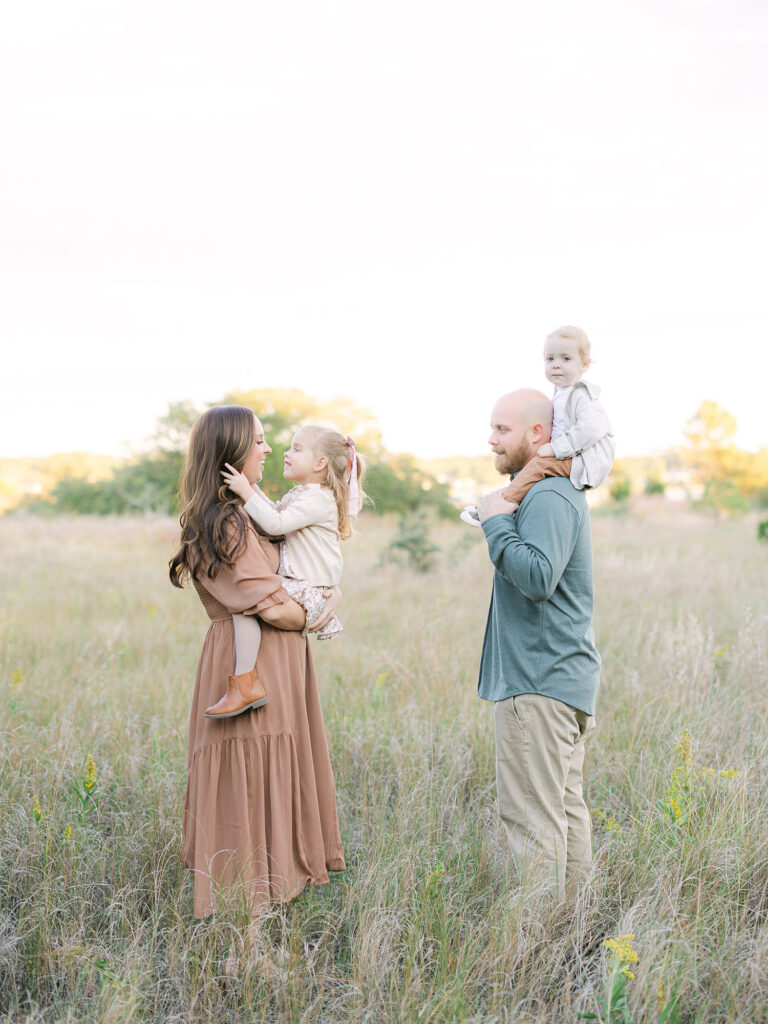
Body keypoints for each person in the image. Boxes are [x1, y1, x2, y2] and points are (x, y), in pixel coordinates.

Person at [169, 405, 345, 920]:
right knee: (245, 788)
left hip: (280, 668)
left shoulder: (251, 512)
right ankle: (242, 939)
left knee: (271, 781)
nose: (269, 450)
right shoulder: (225, 522)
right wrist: (319, 611)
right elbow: (270, 605)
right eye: (261, 441)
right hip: (250, 668)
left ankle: (262, 926)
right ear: (231, 452)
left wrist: (318, 600)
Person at [476, 389, 601, 900]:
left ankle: (534, 951)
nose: (491, 440)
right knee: (563, 813)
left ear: (536, 433)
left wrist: (496, 524)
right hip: (556, 681)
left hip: (538, 682)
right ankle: (573, 940)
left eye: (501, 429)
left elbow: (540, 576)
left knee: (532, 821)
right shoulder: (547, 489)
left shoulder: (547, 497)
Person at [207, 426, 366, 720]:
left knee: (245, 602)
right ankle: (245, 683)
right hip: (306, 586)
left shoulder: (317, 499)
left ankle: (244, 683)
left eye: (296, 449)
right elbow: (273, 511)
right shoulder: (304, 494)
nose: (285, 453)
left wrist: (244, 490)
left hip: (308, 588)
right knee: (248, 598)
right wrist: (252, 487)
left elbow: (275, 524)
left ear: (320, 464)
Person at [460, 326, 614, 526]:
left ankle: (501, 507)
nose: (556, 365)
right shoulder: (560, 393)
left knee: (539, 465)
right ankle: (493, 503)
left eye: (565, 359)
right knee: (531, 467)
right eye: (550, 359)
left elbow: (593, 428)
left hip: (586, 460)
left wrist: (558, 448)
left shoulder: (581, 394)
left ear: (584, 364)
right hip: (572, 454)